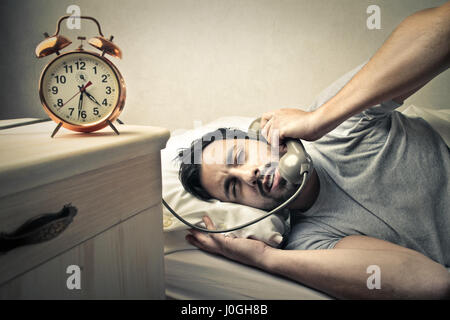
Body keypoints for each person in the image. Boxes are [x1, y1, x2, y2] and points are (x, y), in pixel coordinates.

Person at [178, 2, 450, 299]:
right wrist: (264, 258)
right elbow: (433, 284)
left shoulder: (335, 120)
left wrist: (319, 119)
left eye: (239, 157)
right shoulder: (309, 242)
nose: (249, 175)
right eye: (232, 186)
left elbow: (444, 26)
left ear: (261, 137)